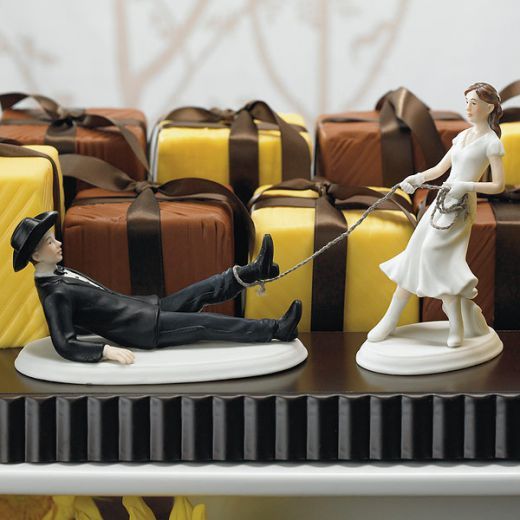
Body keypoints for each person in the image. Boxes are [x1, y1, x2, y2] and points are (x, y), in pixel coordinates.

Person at [11, 211, 302, 364]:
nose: (58, 243)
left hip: (141, 309)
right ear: (35, 254)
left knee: (200, 290)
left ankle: (254, 272)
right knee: (206, 324)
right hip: (140, 328)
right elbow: (64, 342)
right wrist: (105, 352)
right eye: (49, 242)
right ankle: (277, 329)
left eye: (54, 238)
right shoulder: (55, 294)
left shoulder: (58, 272)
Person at [368, 82, 505, 347]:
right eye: (467, 102)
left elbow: (498, 185)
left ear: (489, 108)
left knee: (435, 256)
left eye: (474, 103)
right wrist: (417, 178)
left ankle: (456, 325)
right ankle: (391, 319)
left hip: (460, 209)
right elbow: (441, 169)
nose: (468, 108)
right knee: (415, 254)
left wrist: (467, 186)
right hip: (441, 203)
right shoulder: (462, 137)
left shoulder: (492, 143)